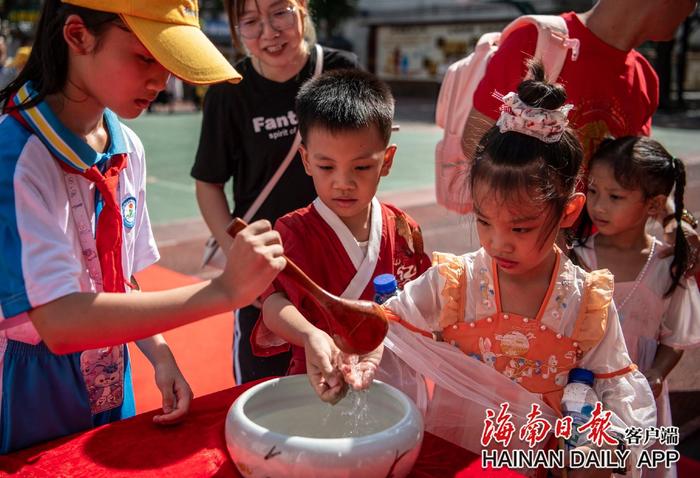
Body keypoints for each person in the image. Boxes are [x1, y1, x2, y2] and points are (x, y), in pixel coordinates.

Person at [0, 0, 285, 453]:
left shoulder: (126, 146)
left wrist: (159, 351)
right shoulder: (14, 155)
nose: (162, 80)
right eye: (145, 57)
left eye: (170, 61)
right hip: (27, 382)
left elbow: (118, 283)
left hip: (112, 367)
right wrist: (222, 292)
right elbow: (57, 321)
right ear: (77, 36)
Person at [379, 62, 656, 473]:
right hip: (459, 448)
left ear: (569, 210)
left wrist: (607, 450)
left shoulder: (586, 301)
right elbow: (389, 328)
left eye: (521, 226)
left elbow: (615, 384)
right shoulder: (457, 282)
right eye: (484, 222)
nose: (497, 242)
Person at [191, 0, 359, 384]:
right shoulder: (229, 90)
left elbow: (364, 159)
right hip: (268, 271)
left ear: (301, 8)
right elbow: (208, 184)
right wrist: (239, 260)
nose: (268, 32)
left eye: (279, 12)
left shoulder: (339, 70)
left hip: (339, 259)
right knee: (266, 391)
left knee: (348, 380)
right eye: (249, 21)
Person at [256, 69, 432, 403]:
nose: (343, 182)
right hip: (322, 371)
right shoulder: (294, 232)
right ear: (306, 160)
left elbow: (421, 300)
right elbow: (273, 304)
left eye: (361, 167)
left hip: (394, 374)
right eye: (326, 167)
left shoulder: (403, 229)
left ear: (387, 161)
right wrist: (309, 334)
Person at [572, 137, 700, 478]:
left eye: (615, 197)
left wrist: (657, 372)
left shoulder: (668, 266)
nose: (598, 206)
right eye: (594, 191)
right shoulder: (577, 256)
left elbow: (674, 338)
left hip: (640, 393)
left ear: (654, 204)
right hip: (583, 389)